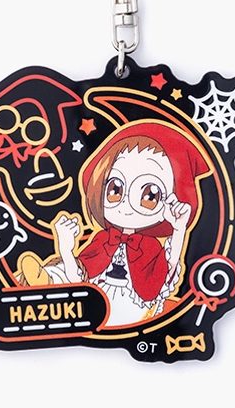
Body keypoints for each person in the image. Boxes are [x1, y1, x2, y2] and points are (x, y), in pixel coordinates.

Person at [18, 121, 211, 326]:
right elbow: (80, 280)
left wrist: (179, 229)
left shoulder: (150, 247)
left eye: (150, 195)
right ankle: (44, 282)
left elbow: (167, 275)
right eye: (115, 190)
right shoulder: (103, 239)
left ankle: (48, 284)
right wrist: (66, 248)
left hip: (131, 308)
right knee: (64, 269)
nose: (126, 204)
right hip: (94, 301)